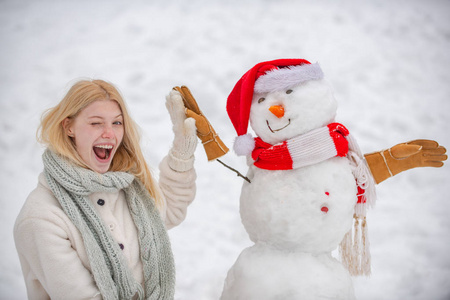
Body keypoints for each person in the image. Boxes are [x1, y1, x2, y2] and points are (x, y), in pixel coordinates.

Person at [13, 79, 198, 299]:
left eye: (117, 123)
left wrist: (182, 153)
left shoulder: (126, 188)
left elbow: (168, 212)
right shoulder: (41, 217)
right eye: (96, 123)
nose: (110, 134)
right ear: (68, 126)